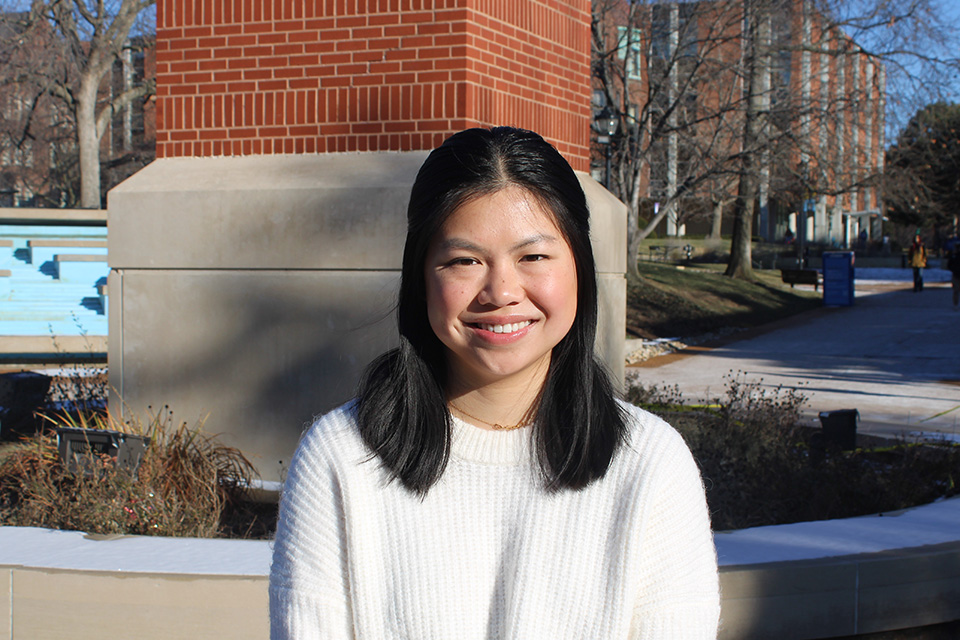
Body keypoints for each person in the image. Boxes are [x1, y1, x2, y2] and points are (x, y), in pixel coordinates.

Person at [269, 127, 720, 639]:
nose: (501, 291)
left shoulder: (650, 464)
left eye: (533, 257)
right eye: (465, 261)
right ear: (421, 279)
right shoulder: (340, 459)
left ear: (580, 269)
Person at [949, 244, 960, 309]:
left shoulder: (954, 256)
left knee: (956, 291)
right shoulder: (954, 256)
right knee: (956, 291)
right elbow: (949, 265)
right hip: (956, 275)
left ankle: (956, 304)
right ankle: (955, 304)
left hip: (955, 274)